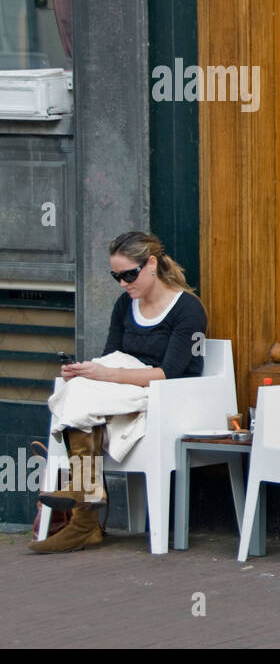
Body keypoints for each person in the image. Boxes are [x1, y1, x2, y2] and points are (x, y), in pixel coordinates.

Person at [31, 231, 207, 554]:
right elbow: (111, 354)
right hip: (121, 390)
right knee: (78, 388)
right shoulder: (125, 305)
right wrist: (84, 371)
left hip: (165, 396)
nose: (124, 284)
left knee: (81, 396)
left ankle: (84, 512)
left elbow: (170, 373)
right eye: (117, 276)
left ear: (151, 263)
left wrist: (105, 374)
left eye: (129, 274)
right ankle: (85, 516)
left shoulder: (188, 310)